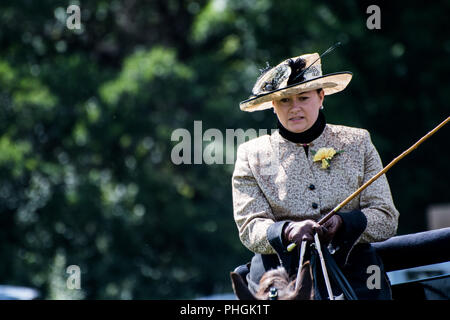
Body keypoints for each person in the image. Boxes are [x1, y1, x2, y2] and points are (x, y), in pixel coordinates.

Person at [231, 51, 400, 299]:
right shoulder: (250, 154)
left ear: (321, 97)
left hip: (357, 278)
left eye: (303, 97)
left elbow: (386, 218)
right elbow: (250, 228)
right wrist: (288, 231)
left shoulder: (358, 142)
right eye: (285, 100)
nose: (294, 108)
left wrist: (344, 223)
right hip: (280, 280)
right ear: (273, 106)